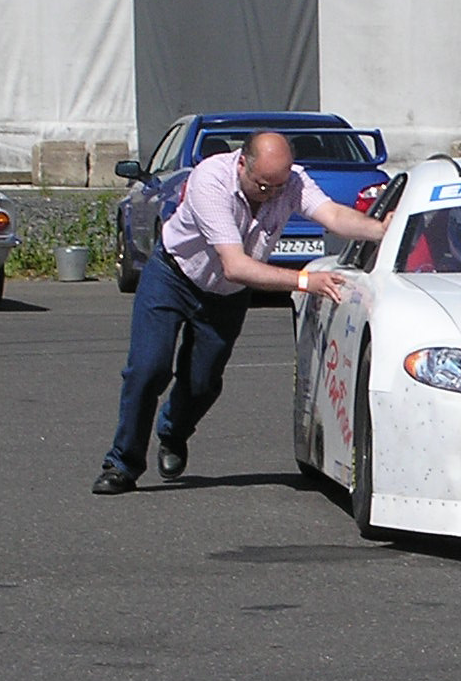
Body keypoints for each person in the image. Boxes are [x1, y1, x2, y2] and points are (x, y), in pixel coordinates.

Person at [94, 129, 390, 494]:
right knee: (147, 368)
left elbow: (332, 216)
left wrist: (380, 230)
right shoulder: (210, 181)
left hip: (226, 294)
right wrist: (303, 281)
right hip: (174, 275)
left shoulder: (291, 181)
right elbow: (235, 264)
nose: (272, 194)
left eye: (279, 186)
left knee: (203, 382)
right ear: (241, 164)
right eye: (263, 185)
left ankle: (173, 431)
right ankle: (122, 463)